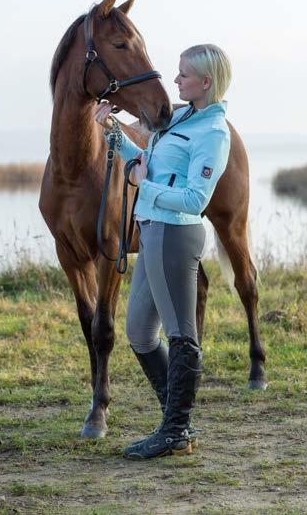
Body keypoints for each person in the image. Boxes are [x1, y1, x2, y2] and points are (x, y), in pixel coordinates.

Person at [93, 44, 231, 459]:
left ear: (206, 82)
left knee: (181, 335)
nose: (175, 80)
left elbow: (194, 199)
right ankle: (177, 420)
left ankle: (175, 430)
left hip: (176, 235)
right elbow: (145, 161)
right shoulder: (181, 119)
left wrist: (143, 186)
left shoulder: (214, 133)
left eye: (183, 74)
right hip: (151, 232)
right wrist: (112, 129)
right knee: (138, 332)